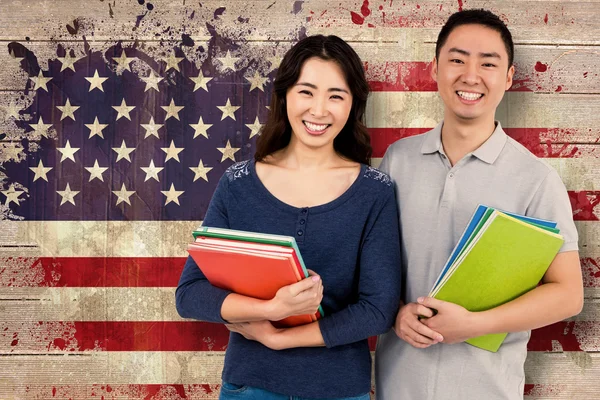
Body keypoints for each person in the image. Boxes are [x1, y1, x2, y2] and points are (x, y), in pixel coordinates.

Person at [176, 34, 402, 400]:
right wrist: (271, 308)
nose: (319, 110)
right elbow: (190, 294)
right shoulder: (238, 183)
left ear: (353, 105)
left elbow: (377, 309)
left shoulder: (375, 191)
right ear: (284, 96)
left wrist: (280, 338)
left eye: (336, 96)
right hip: (249, 386)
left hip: (339, 389)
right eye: (306, 91)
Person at [375, 9, 583, 400]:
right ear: (434, 68)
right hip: (397, 387)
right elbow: (374, 266)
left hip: (488, 390)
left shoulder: (537, 180)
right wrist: (397, 311)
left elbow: (568, 294)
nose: (470, 76)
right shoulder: (397, 160)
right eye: (457, 60)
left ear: (508, 78)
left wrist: (474, 324)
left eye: (488, 63)